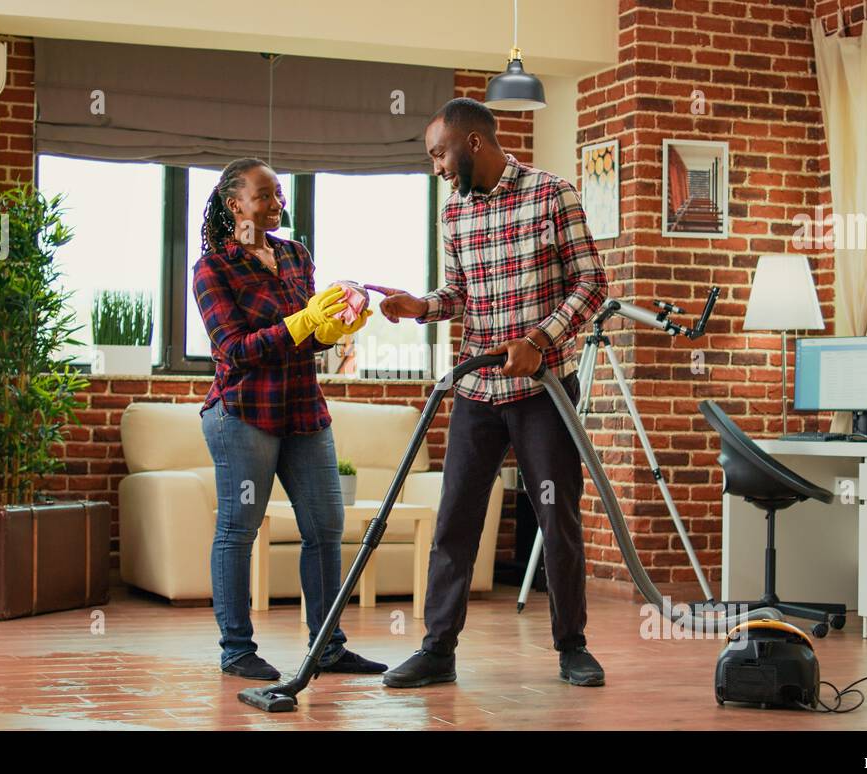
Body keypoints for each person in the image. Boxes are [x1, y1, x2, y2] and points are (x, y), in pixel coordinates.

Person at [374, 98, 607, 688]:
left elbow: (591, 282)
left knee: (556, 515)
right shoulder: (454, 212)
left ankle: (572, 646)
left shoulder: (552, 194)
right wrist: (421, 306)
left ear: (472, 142)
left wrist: (540, 339)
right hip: (477, 389)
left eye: (439, 154)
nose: (437, 168)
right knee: (455, 517)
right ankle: (437, 650)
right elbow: (458, 294)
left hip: (542, 390)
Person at [192, 157, 387, 680]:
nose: (278, 202)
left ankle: (327, 647)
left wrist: (333, 326)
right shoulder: (213, 268)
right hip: (244, 414)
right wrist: (301, 322)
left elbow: (308, 337)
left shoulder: (295, 255)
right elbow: (234, 349)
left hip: (303, 410)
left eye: (279, 193)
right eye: (265, 195)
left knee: (326, 526)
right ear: (235, 204)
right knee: (239, 528)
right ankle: (237, 650)